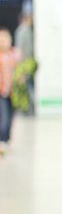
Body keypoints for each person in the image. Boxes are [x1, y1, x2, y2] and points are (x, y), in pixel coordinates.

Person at [0, 27, 21, 155]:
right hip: (1, 92)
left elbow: (21, 69)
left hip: (13, 93)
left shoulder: (14, 54)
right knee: (4, 117)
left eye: (5, 39)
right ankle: (1, 141)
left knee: (11, 117)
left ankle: (6, 141)